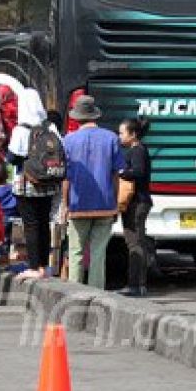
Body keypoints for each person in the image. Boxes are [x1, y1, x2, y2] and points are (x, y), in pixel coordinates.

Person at [62, 95, 124, 290]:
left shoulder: (68, 141)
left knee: (76, 252)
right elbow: (116, 174)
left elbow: (66, 178)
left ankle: (75, 292)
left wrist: (65, 205)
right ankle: (97, 293)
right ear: (95, 115)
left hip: (78, 204)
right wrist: (115, 202)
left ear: (77, 117)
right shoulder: (112, 138)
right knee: (98, 253)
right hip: (105, 204)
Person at [8, 89, 61, 280]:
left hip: (27, 183)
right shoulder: (50, 127)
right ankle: (45, 266)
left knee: (30, 225)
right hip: (47, 182)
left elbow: (13, 158)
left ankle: (33, 266)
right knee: (44, 223)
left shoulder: (21, 129)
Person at [118, 117, 152, 297]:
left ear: (133, 134)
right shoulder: (137, 149)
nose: (120, 136)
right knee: (136, 241)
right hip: (138, 202)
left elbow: (138, 172)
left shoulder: (137, 151)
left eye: (122, 133)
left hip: (137, 202)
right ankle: (139, 283)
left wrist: (122, 172)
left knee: (135, 243)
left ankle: (135, 284)